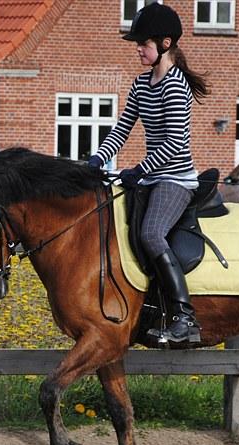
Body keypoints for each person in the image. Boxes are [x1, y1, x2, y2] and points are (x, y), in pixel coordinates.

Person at [88, 3, 210, 344]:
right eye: (138, 44)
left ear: (165, 44)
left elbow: (174, 143)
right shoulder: (142, 84)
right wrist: (98, 159)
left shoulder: (174, 85)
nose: (138, 49)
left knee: (152, 234)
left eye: (143, 44)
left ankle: (185, 318)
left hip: (175, 180)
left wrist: (139, 169)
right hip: (150, 178)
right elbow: (122, 128)